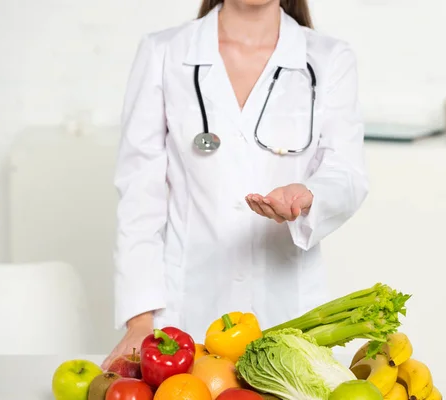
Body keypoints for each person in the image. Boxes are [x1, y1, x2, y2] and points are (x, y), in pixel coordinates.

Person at [102, 0, 368, 368]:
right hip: (183, 322)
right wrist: (140, 319)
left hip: (287, 314)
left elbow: (347, 174)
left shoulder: (329, 58)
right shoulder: (164, 53)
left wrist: (310, 196)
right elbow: (138, 197)